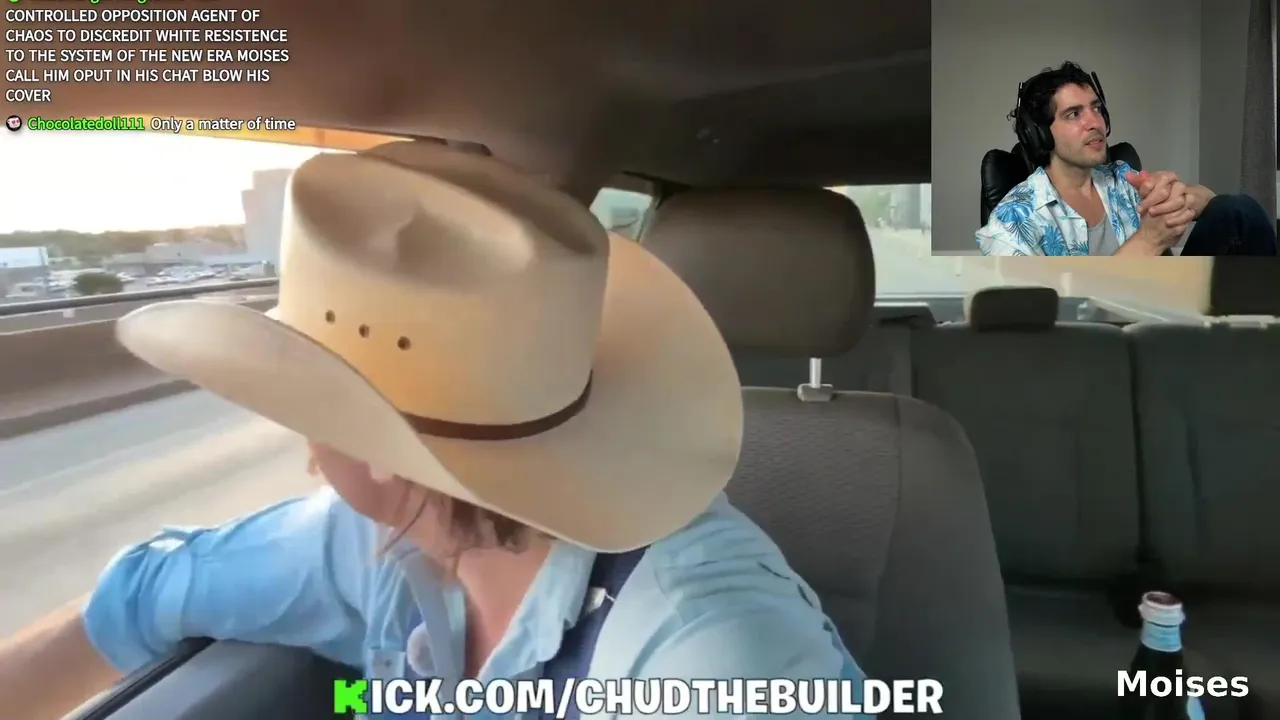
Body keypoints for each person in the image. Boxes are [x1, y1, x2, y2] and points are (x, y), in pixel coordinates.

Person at [0, 141, 870, 720]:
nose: (308, 455)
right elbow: (143, 593)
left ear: (381, 454)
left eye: (310, 408)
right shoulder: (379, 540)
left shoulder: (714, 657)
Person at [978, 61, 1277, 257]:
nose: (1094, 122)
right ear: (1040, 134)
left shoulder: (1121, 176)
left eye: (1096, 108)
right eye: (1074, 114)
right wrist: (1149, 240)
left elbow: (1207, 198)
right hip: (1097, 334)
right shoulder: (1011, 220)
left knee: (1238, 211)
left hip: (1168, 310)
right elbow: (1049, 317)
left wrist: (1177, 199)